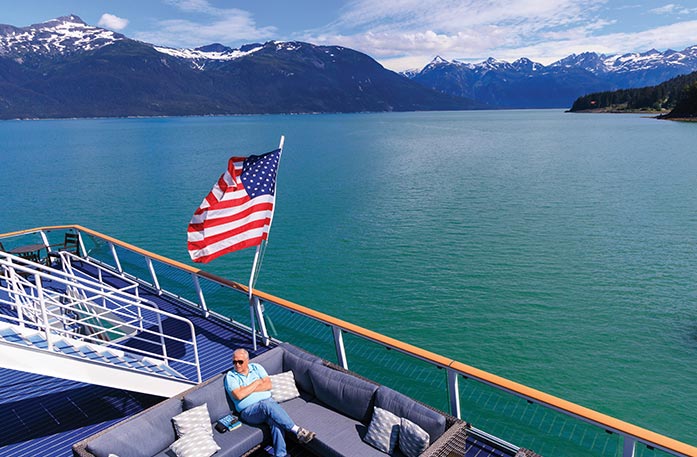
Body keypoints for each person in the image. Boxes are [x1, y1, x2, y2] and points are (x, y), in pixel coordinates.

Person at [224, 348, 315, 457]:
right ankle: (297, 430)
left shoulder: (256, 367)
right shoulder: (231, 376)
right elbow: (238, 395)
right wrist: (256, 383)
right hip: (249, 412)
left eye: (240, 362)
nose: (237, 365)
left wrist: (245, 389)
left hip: (268, 405)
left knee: (275, 422)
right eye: (234, 362)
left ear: (247, 360)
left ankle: (280, 455)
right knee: (266, 405)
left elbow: (268, 385)